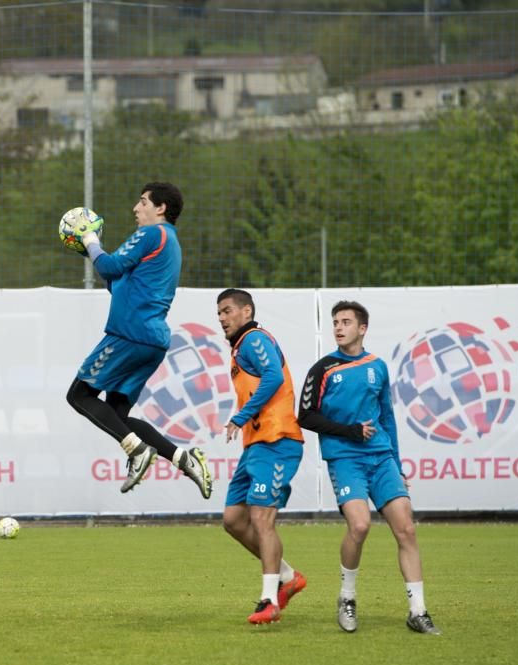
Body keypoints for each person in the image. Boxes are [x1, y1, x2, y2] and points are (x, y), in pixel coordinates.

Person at [297, 300, 441, 635]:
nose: (338, 327)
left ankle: (418, 611)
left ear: (362, 328)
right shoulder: (323, 369)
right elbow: (305, 416)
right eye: (335, 321)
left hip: (381, 458)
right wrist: (349, 432)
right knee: (360, 526)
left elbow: (387, 419)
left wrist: (398, 464)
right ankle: (347, 598)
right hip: (346, 460)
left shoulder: (378, 366)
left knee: (406, 528)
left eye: (346, 321)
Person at [65, 182, 212, 498]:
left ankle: (137, 450)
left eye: (143, 201)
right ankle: (182, 458)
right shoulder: (168, 242)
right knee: (118, 416)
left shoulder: (153, 234)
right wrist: (91, 250)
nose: (136, 208)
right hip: (152, 340)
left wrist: (90, 239)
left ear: (160, 208)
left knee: (78, 396)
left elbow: (108, 265)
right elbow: (115, 280)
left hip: (130, 333)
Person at [217, 289, 307, 625]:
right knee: (232, 520)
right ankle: (287, 576)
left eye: (227, 311)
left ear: (246, 311)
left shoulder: (254, 339)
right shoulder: (240, 348)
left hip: (278, 439)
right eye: (219, 314)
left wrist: (241, 416)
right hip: (256, 445)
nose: (223, 318)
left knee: (260, 518)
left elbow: (274, 377)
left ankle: (269, 600)